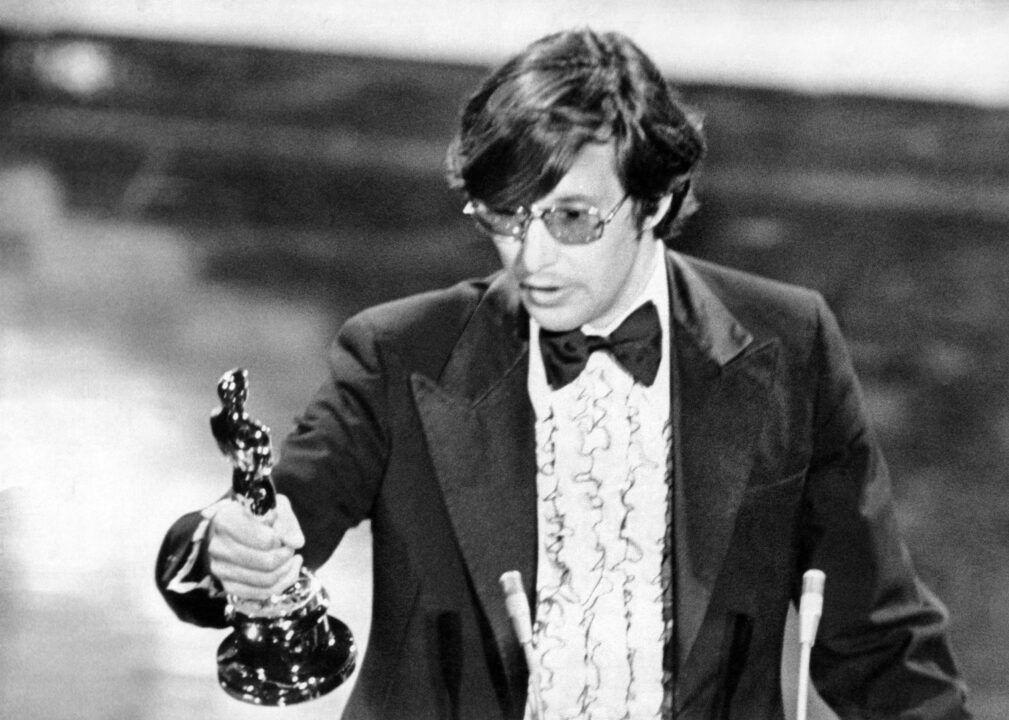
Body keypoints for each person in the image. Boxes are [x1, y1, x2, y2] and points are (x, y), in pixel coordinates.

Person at [156, 28, 970, 720]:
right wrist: (227, 548)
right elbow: (279, 510)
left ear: (654, 203)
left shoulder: (788, 343)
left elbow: (878, 640)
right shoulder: (400, 351)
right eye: (505, 219)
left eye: (571, 220)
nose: (531, 258)